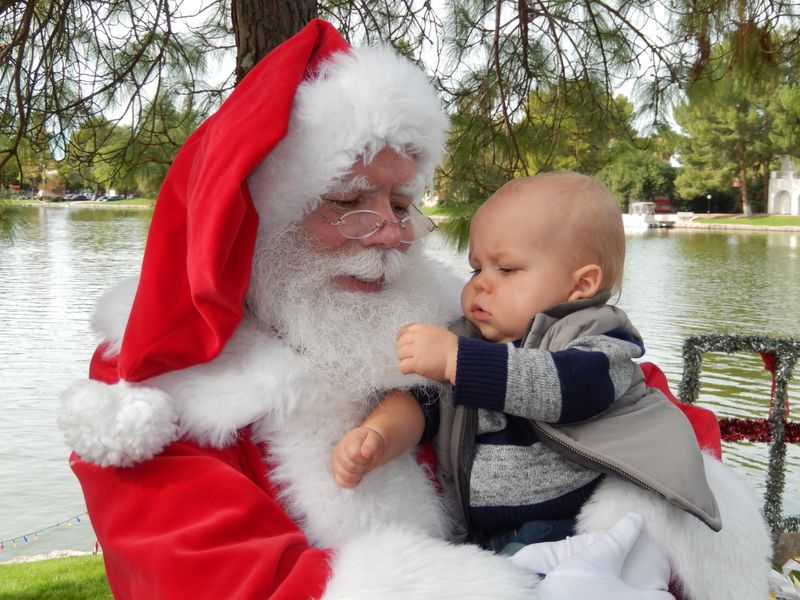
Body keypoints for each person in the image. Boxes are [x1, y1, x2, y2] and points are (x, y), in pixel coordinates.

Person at [57, 19, 768, 600]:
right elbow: (212, 577)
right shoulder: (155, 389)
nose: (392, 232)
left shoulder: (452, 316)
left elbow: (643, 409)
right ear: (261, 221)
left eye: (401, 204)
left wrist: (631, 533)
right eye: (347, 204)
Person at [332, 172, 775, 597]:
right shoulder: (470, 339)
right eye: (474, 269)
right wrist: (378, 436)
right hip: (494, 538)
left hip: (579, 528)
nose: (481, 285)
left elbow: (568, 389)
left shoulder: (599, 341)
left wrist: (456, 360)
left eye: (506, 269)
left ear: (581, 285)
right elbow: (425, 404)